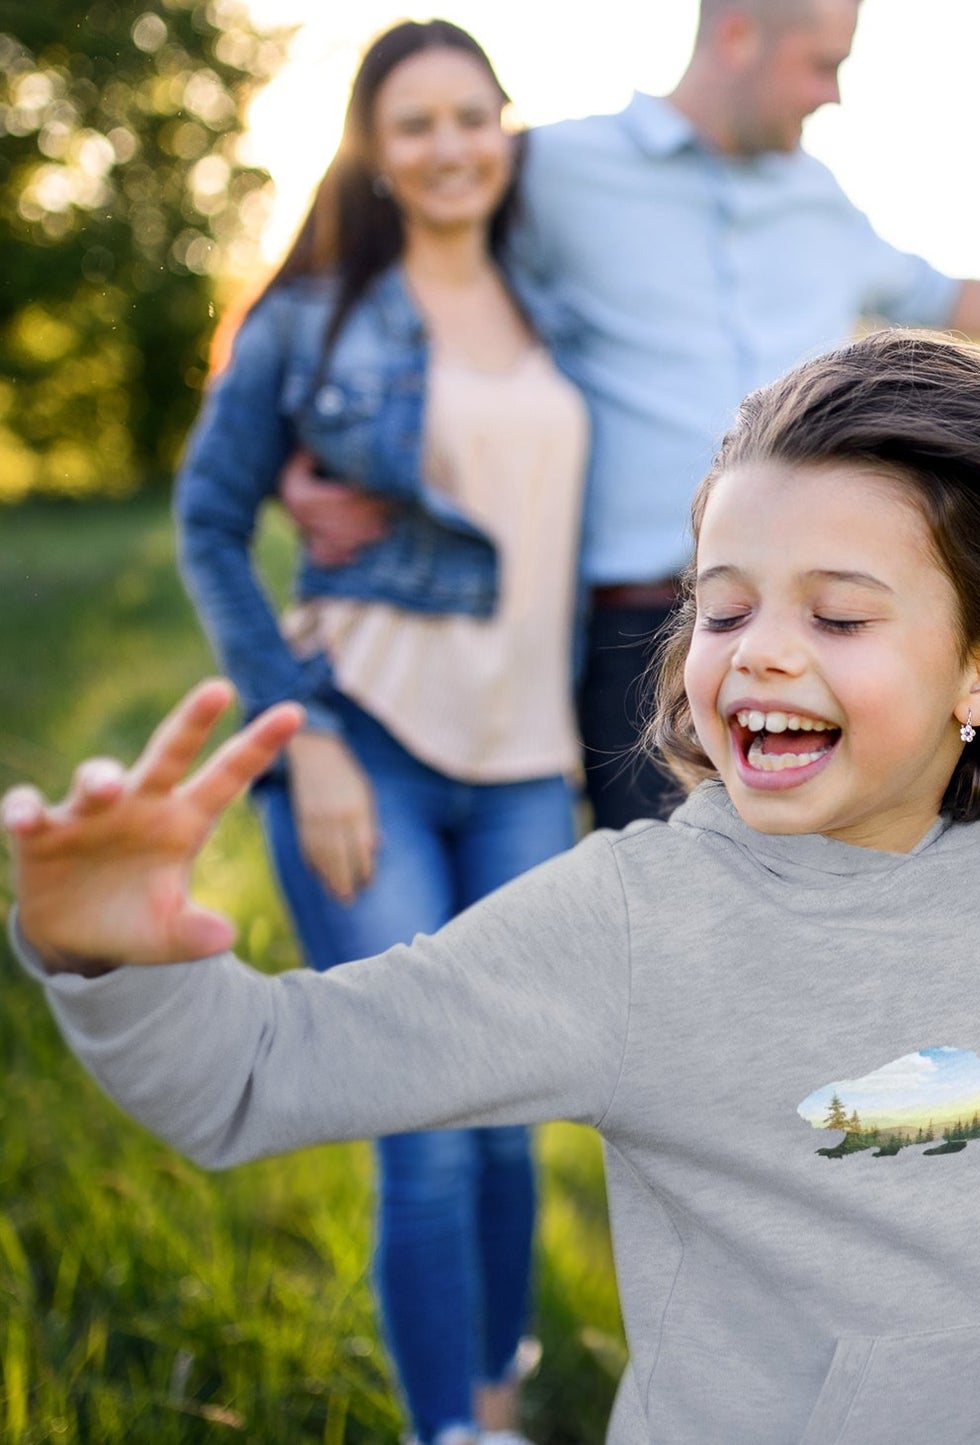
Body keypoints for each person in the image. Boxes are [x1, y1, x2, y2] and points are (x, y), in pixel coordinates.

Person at [13, 333, 980, 1444]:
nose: (756, 650)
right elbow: (255, 1077)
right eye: (721, 603)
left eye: (835, 613)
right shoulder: (628, 930)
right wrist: (115, 961)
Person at [281, 0, 980, 832]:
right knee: (680, 929)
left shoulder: (818, 199)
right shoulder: (555, 167)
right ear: (738, 36)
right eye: (820, 64)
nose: (832, 94)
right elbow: (387, 254)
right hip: (638, 634)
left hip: (829, 620)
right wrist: (302, 449)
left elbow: (938, 291)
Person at [172, 20, 587, 1445]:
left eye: (472, 116)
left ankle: (491, 1395)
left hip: (531, 765)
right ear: (371, 145)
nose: (450, 145)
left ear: (503, 128)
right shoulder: (312, 320)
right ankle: (444, 1433)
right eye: (414, 122)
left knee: (510, 1108)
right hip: (369, 751)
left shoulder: (555, 305)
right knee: (424, 1122)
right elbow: (210, 524)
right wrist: (305, 737)